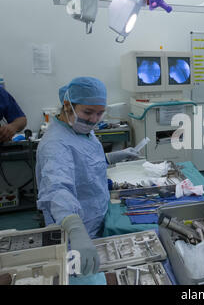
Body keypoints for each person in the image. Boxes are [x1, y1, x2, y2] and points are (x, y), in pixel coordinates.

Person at [36, 77, 140, 277]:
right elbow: (57, 189)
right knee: (80, 275)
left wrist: (110, 157)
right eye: (88, 112)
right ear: (67, 106)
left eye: (100, 113)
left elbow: (84, 163)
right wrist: (76, 230)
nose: (94, 120)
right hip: (74, 229)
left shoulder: (81, 130)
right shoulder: (55, 144)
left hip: (95, 216)